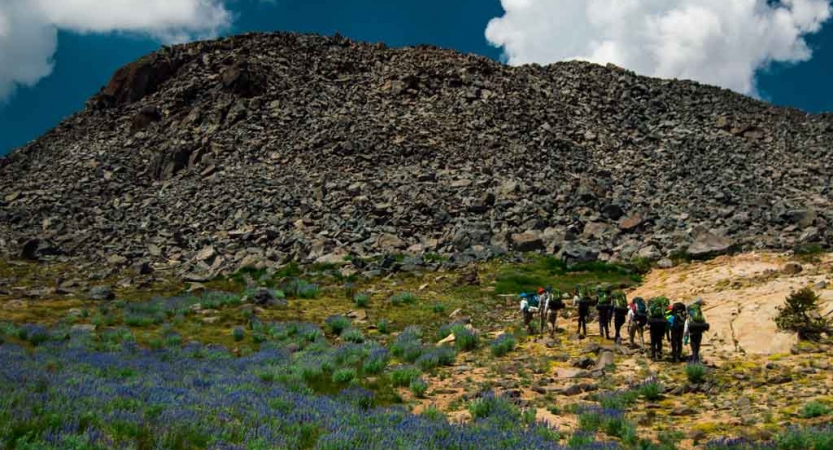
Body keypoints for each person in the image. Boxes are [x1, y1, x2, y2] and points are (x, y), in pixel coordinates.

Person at [685, 298, 710, 363]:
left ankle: (694, 356)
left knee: (693, 341)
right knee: (698, 342)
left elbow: (688, 319)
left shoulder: (689, 308)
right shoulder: (698, 309)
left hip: (692, 327)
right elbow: (702, 318)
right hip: (699, 327)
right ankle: (696, 356)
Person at [647, 296, 670, 361]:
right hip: (661, 326)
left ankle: (653, 356)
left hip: (653, 326)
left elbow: (649, 316)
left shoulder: (651, 308)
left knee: (653, 342)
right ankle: (659, 353)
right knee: (659, 341)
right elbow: (665, 316)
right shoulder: (662, 308)